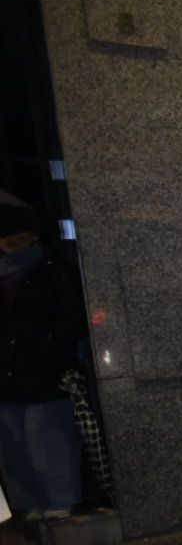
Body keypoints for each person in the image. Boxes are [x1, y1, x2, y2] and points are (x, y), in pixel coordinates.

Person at [0, 209, 86, 526]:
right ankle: (31, 502)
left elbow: (68, 322)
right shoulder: (4, 276)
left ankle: (60, 499)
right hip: (8, 376)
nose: (9, 239)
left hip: (43, 375)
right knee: (15, 446)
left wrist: (49, 355)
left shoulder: (55, 272)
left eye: (17, 232)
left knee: (47, 438)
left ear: (34, 234)